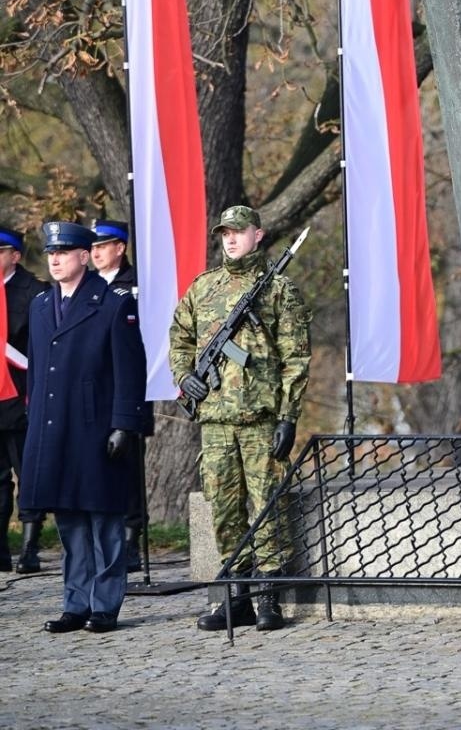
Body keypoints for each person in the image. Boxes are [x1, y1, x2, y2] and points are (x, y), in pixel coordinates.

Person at [169, 205, 311, 633]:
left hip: (260, 419)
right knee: (225, 511)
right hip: (215, 422)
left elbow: (296, 358)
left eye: (239, 231)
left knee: (268, 506)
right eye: (224, 233)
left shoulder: (279, 289)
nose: (230, 239)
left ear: (258, 235)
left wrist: (288, 416)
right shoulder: (203, 288)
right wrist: (185, 377)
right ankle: (239, 597)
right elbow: (179, 339)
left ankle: (269, 598)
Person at [20, 221, 147, 633]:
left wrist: (124, 425)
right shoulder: (40, 306)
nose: (55, 260)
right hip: (56, 427)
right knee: (70, 518)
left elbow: (130, 371)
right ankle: (75, 602)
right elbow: (39, 373)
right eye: (50, 253)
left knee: (104, 518)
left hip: (96, 427)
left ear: (83, 256)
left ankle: (105, 606)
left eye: (64, 253)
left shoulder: (112, 303)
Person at [90, 218, 152, 573]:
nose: (97, 253)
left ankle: (131, 540)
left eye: (103, 246)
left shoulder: (136, 286)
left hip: (127, 388)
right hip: (94, 390)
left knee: (130, 468)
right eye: (93, 248)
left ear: (120, 248)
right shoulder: (88, 286)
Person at [0, 225, 48, 573]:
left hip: (22, 397)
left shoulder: (34, 292)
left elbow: (44, 348)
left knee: (28, 472)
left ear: (14, 256)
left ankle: (30, 548)